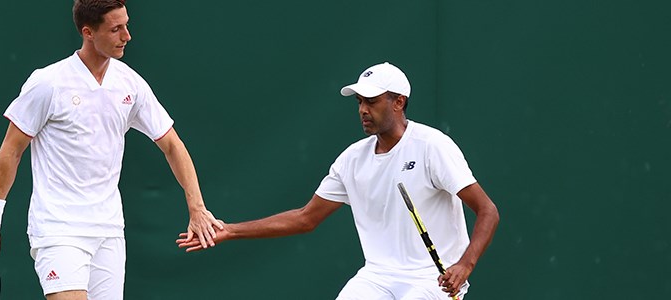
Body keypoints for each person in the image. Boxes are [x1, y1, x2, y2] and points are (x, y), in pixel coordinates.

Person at [177, 62, 499, 299]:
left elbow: (487, 211)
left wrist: (464, 266)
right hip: (377, 277)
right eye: (359, 102)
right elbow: (305, 218)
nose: (362, 109)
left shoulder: (433, 147)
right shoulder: (351, 160)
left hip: (431, 279)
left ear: (398, 102)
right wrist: (229, 231)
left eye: (371, 101)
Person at [0, 0, 223, 299]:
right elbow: (10, 152)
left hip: (109, 231)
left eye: (126, 25)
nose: (127, 36)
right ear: (88, 32)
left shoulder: (130, 83)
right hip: (58, 229)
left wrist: (196, 208)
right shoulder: (48, 83)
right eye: (116, 29)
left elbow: (172, 145)